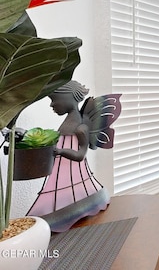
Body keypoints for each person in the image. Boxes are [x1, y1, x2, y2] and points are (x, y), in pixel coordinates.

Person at [27, 80, 121, 232]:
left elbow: (80, 155)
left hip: (73, 174)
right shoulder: (68, 124)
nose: (51, 105)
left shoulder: (80, 128)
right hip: (62, 173)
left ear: (69, 97)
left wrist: (61, 152)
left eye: (54, 100)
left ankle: (70, 212)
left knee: (66, 192)